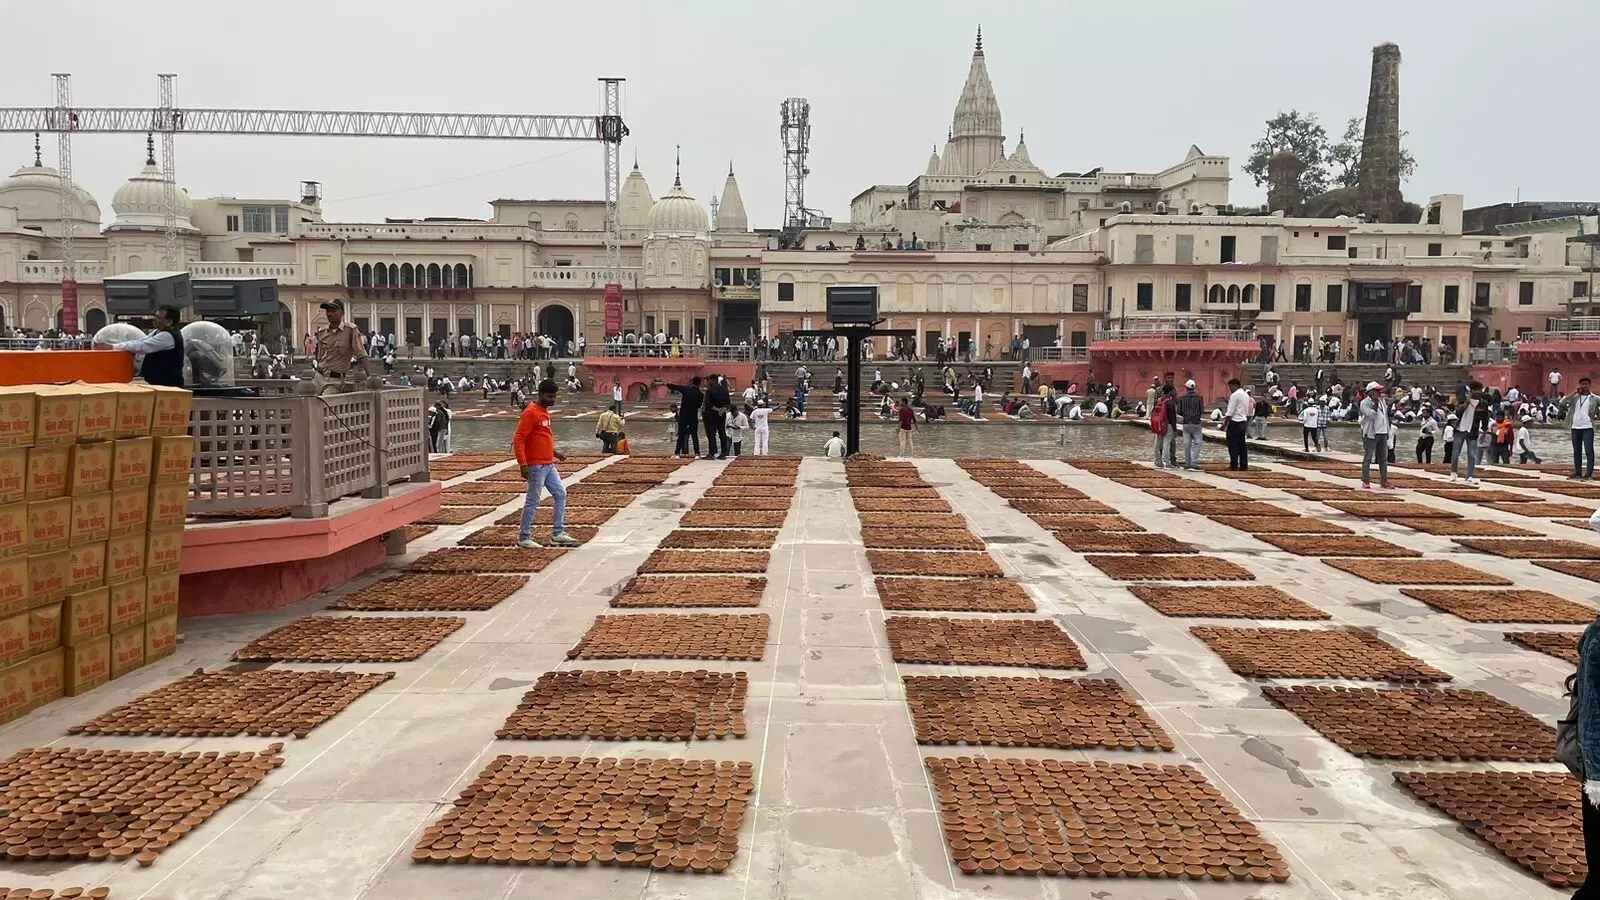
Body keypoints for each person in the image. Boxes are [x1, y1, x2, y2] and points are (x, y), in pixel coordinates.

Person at [513, 379, 577, 549]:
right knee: (533, 500)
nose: (552, 400)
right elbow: (518, 440)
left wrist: (555, 453)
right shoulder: (530, 413)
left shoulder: (544, 412)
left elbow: (541, 438)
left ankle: (558, 533)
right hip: (536, 466)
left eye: (554, 397)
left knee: (560, 493)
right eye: (549, 396)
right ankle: (524, 536)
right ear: (540, 394)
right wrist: (523, 464)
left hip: (548, 464)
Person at [98, 304, 186, 387]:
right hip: (159, 383)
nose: (155, 320)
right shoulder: (157, 332)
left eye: (159, 318)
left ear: (169, 322)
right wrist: (115, 345)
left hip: (168, 384)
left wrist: (113, 347)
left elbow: (142, 346)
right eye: (155, 317)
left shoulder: (167, 336)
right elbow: (139, 341)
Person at [309, 299, 371, 394]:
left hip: (335, 380)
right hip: (319, 376)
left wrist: (370, 376)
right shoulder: (322, 332)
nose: (329, 314)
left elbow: (361, 353)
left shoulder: (350, 330)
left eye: (333, 311)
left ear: (342, 312)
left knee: (325, 403)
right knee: (307, 402)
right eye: (328, 311)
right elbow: (319, 355)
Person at [1450, 381, 1490, 484]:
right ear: (1471, 391)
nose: (1478, 393)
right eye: (1475, 391)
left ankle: (1470, 476)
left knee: (1472, 455)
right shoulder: (1462, 400)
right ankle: (1454, 472)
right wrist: (1467, 402)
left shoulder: (1483, 404)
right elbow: (1458, 412)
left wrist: (1484, 433)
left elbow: (1485, 419)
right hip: (1460, 429)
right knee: (1455, 453)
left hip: (1473, 431)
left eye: (1479, 391)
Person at [1359, 382, 1392, 489]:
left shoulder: (1382, 402)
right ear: (1370, 392)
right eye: (1376, 391)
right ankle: (1366, 481)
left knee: (1383, 459)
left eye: (1379, 391)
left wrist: (1387, 432)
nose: (1378, 393)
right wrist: (1375, 404)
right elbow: (1371, 415)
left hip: (1382, 433)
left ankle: (1384, 481)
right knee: (1368, 458)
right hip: (1371, 434)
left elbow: (1385, 418)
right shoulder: (1364, 403)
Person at [667, 376, 704, 458]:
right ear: (699, 383)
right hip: (693, 416)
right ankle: (697, 453)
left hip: (684, 415)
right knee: (694, 435)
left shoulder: (686, 389)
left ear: (692, 382)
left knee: (681, 435)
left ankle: (677, 453)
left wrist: (665, 383)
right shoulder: (700, 394)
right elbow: (698, 406)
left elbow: (674, 386)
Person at [1571, 377, 1599, 480]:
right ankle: (1577, 473)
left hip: (1588, 427)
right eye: (1582, 384)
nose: (1584, 386)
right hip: (1575, 426)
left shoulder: (1595, 398)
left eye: (1586, 384)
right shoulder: (1575, 397)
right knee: (1576, 451)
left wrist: (1597, 414)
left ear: (1590, 385)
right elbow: (1562, 403)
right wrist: (1573, 392)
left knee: (1588, 451)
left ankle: (1589, 474)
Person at [1175, 380, 1205, 470]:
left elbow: (1179, 411)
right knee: (1198, 443)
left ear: (1186, 388)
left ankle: (1188, 462)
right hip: (1196, 422)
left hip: (1186, 423)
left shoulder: (1181, 398)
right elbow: (1202, 411)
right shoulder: (1200, 398)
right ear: (1194, 387)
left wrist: (1186, 413)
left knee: (1187, 444)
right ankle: (1194, 462)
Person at [1223, 378, 1251, 471]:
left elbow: (1230, 412)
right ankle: (1244, 465)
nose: (1230, 389)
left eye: (1230, 387)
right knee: (1242, 445)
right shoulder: (1246, 395)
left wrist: (1225, 424)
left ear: (1235, 385)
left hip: (1235, 422)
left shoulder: (1235, 395)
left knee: (1233, 444)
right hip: (1243, 422)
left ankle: (1234, 464)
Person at [704, 375, 732, 459]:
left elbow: (708, 404)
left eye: (708, 381)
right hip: (722, 414)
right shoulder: (724, 389)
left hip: (711, 414)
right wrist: (722, 410)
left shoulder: (710, 390)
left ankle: (712, 453)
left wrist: (717, 409)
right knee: (722, 433)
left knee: (711, 434)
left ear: (712, 381)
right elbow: (728, 403)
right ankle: (723, 453)